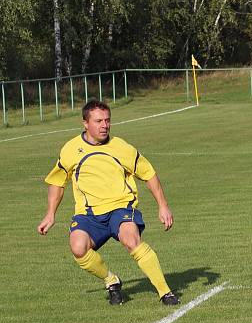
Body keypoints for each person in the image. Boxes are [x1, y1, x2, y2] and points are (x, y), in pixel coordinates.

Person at [37, 100, 180, 306]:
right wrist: (50, 213)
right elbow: (58, 182)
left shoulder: (122, 148)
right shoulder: (70, 149)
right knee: (78, 247)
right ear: (85, 123)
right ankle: (111, 280)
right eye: (98, 121)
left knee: (131, 240)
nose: (104, 125)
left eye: (107, 120)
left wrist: (163, 205)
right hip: (88, 214)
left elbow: (149, 174)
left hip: (120, 208)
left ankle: (165, 292)